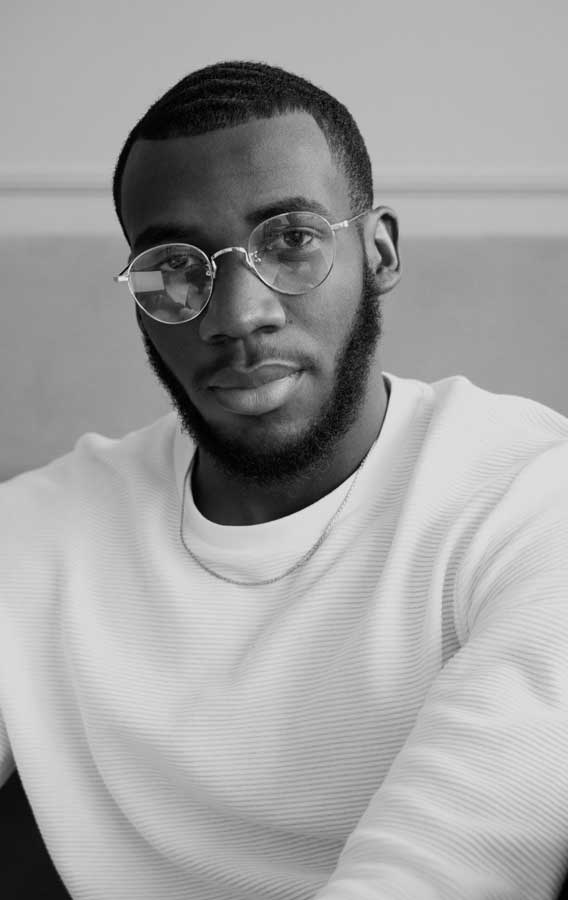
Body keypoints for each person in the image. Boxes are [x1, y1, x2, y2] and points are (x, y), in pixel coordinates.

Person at [1, 59, 568, 900]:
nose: (236, 314)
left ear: (378, 251)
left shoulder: (528, 500)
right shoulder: (35, 532)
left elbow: (440, 874)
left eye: (292, 240)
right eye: (173, 267)